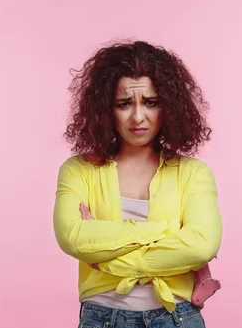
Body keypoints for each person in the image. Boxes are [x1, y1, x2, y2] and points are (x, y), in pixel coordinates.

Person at [53, 40, 223, 328]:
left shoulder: (193, 173)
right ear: (105, 109)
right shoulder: (78, 171)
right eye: (124, 104)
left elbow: (201, 247)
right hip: (103, 318)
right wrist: (167, 230)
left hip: (177, 317)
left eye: (151, 102)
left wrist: (109, 261)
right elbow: (73, 237)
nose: (137, 117)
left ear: (168, 106)